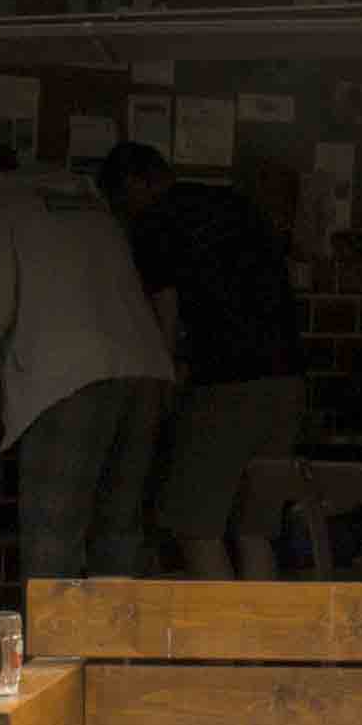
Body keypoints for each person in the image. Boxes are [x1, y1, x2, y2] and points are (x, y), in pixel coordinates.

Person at [0, 138, 174, 583]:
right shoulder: (89, 202)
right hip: (145, 372)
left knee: (52, 541)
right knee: (118, 536)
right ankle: (114, 631)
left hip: (69, 383)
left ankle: (53, 634)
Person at [101, 142, 306, 579]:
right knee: (254, 531)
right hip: (287, 379)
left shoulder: (157, 221)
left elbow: (166, 317)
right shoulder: (236, 204)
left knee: (195, 529)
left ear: (136, 185)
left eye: (120, 203)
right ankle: (259, 629)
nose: (123, 216)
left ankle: (221, 629)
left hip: (227, 385)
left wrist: (165, 388)